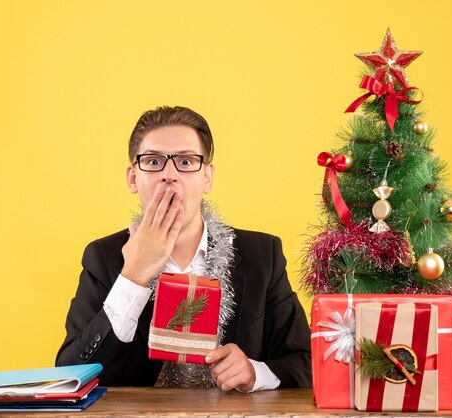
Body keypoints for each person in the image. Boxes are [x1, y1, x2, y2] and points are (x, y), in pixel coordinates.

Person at [56, 106, 311, 392]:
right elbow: (72, 377)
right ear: (132, 178)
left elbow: (305, 364)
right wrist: (133, 277)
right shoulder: (103, 257)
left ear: (207, 177)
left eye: (186, 161)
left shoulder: (262, 255)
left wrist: (255, 373)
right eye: (153, 161)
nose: (169, 174)